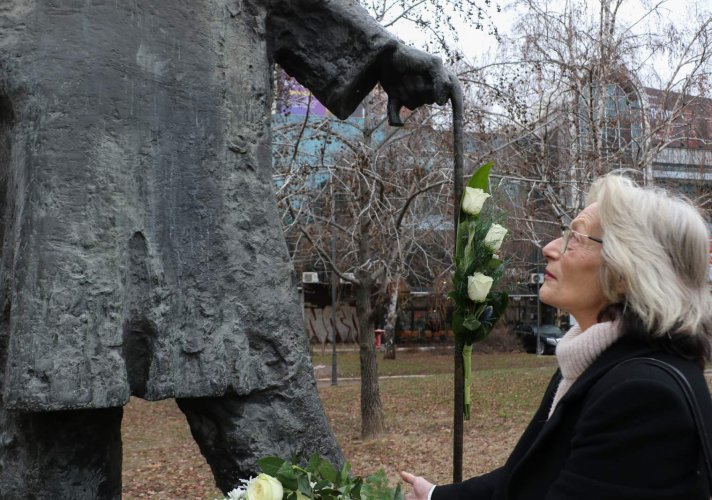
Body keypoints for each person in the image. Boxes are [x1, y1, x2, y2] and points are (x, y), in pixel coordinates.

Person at [0, 1, 453, 496]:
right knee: (54, 451)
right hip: (62, 225)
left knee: (289, 459)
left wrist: (383, 53)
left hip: (215, 230)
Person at [401, 173, 712, 499]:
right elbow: (530, 476)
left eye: (575, 238)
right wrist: (435, 495)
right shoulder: (590, 365)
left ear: (626, 272)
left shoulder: (643, 396)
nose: (550, 248)